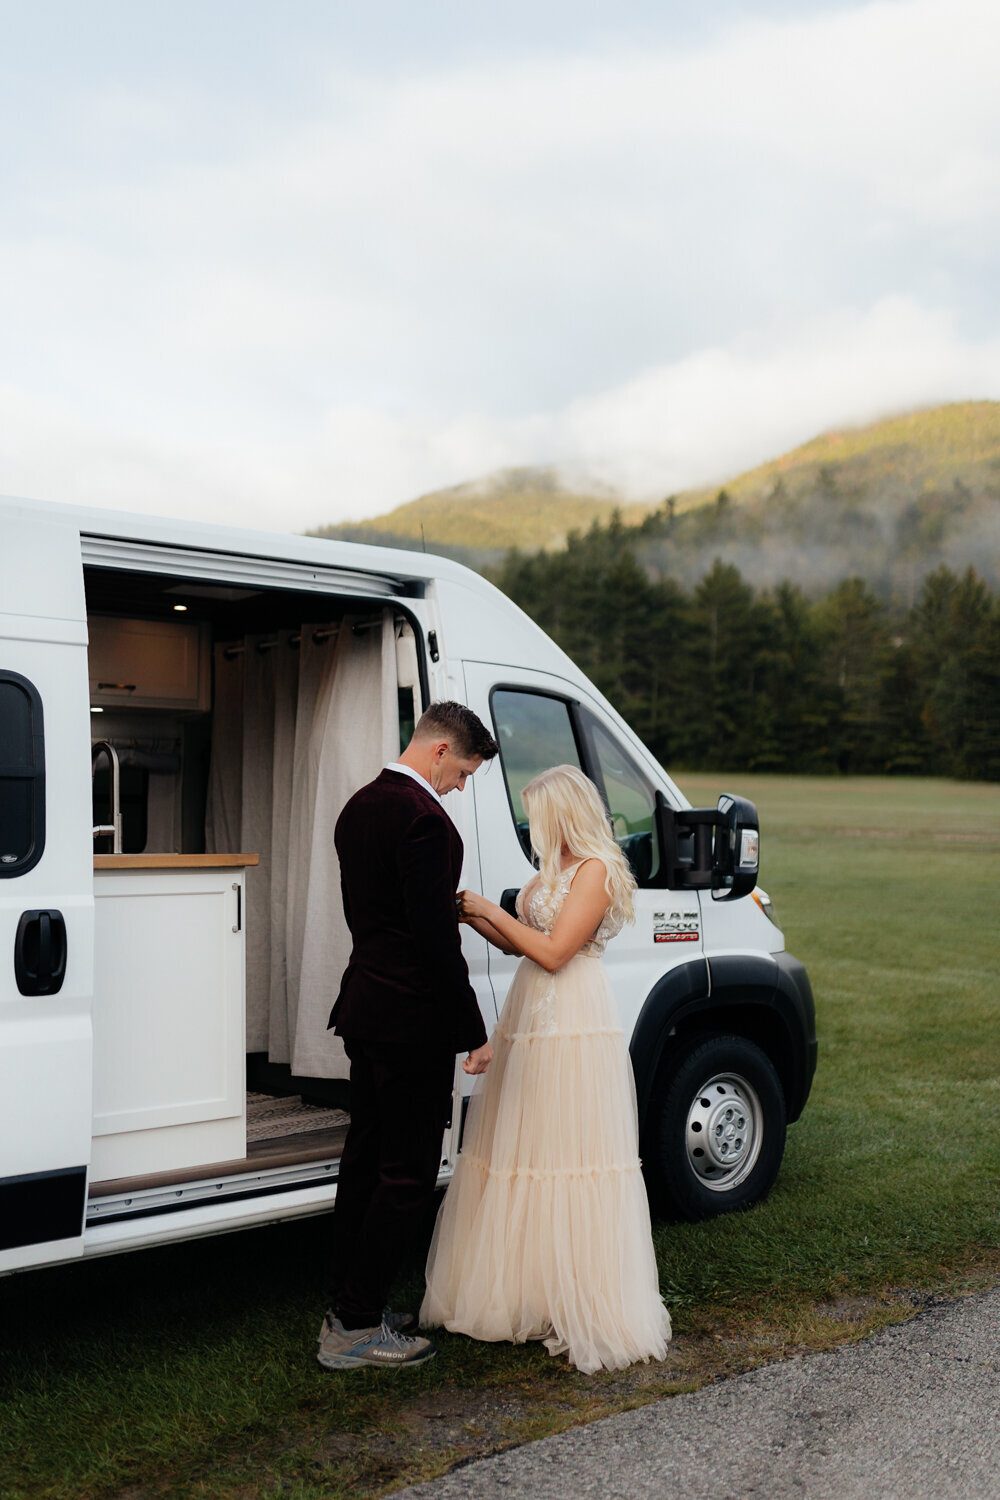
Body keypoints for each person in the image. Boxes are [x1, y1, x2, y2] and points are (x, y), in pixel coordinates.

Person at [420, 763, 671, 1374]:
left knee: (565, 1150)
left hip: (572, 1015)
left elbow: (557, 953)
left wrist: (491, 908)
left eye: (539, 814)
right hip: (533, 1009)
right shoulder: (551, 872)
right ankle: (524, 1290)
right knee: (523, 1148)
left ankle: (577, 1295)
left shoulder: (595, 871)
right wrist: (472, 916)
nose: (533, 825)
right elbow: (522, 945)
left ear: (564, 813)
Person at [316, 701, 499, 1372]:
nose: (462, 786)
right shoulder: (427, 823)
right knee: (407, 1175)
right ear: (442, 751)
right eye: (465, 772)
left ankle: (348, 1303)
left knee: (365, 1164)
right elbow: (431, 944)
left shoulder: (359, 806)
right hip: (410, 1023)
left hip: (365, 1010)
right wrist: (472, 1031)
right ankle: (355, 1328)